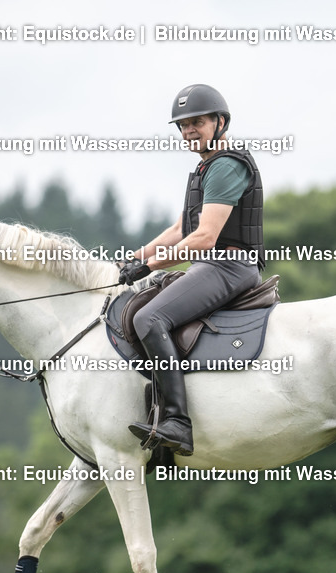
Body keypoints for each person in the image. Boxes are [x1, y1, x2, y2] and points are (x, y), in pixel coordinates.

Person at [118, 83, 265, 456]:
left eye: (196, 122)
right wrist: (132, 258)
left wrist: (148, 266)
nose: (188, 131)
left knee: (149, 318)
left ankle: (177, 423)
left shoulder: (226, 165)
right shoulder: (204, 168)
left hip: (230, 266)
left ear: (220, 122)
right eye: (183, 125)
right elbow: (180, 230)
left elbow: (204, 237)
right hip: (215, 264)